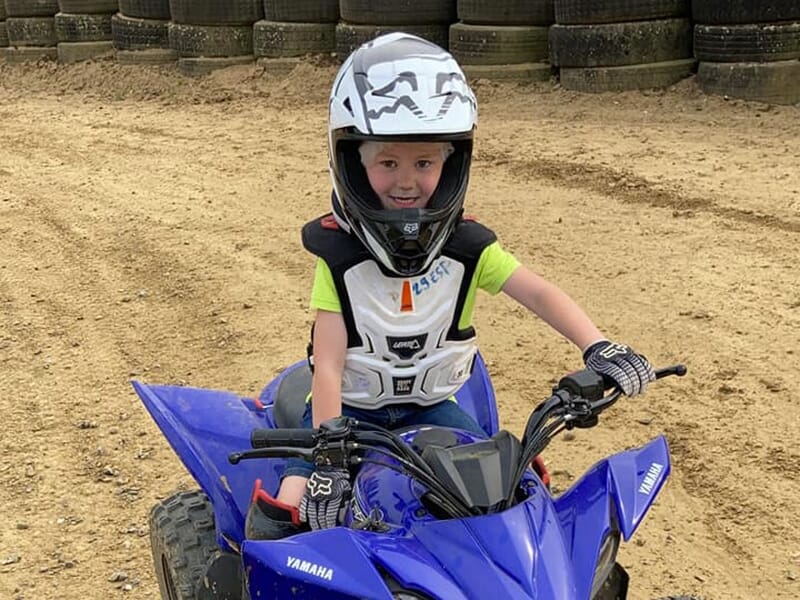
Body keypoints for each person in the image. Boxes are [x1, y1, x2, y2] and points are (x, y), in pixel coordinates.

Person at [244, 32, 655, 540]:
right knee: (294, 508)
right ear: (355, 162)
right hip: (346, 413)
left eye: (424, 162)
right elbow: (327, 364)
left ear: (451, 163)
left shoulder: (470, 248)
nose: (407, 180)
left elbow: (539, 292)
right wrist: (327, 458)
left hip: (430, 403)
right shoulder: (338, 258)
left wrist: (598, 345)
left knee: (515, 490)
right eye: (388, 162)